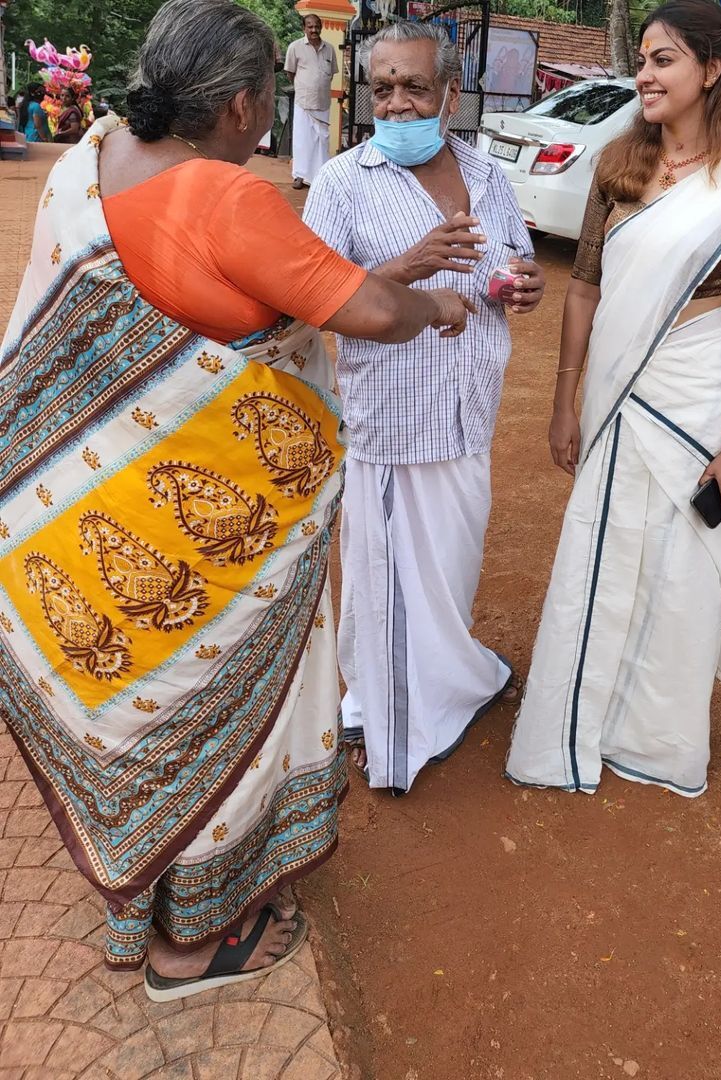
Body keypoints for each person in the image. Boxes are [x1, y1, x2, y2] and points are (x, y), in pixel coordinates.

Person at [0, 0, 472, 1002]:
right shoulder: (225, 196)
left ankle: (151, 890)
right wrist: (433, 303)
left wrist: (369, 277)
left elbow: (236, 301)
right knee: (220, 715)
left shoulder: (91, 157)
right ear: (248, 100)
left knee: (144, 711)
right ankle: (191, 946)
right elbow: (371, 314)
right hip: (202, 562)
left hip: (89, 526)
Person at [505, 0, 721, 798]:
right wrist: (564, 402)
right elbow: (583, 294)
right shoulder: (619, 166)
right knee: (596, 556)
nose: (644, 73)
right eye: (641, 58)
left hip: (701, 391)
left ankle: (655, 742)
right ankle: (571, 729)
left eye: (664, 58)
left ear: (712, 71)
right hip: (614, 392)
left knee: (682, 569)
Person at [303, 20, 546, 796]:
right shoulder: (345, 181)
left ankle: (445, 682)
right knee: (387, 581)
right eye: (383, 88)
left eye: (414, 86)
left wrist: (525, 282)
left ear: (449, 93)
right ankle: (393, 718)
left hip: (468, 410)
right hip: (394, 418)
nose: (399, 104)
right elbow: (312, 301)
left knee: (449, 569)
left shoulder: (488, 174)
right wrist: (406, 268)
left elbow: (515, 258)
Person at [285, 13, 336, 189]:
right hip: (303, 102)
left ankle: (320, 176)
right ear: (304, 28)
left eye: (316, 26)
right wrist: (304, 87)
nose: (314, 30)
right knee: (302, 139)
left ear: (321, 27)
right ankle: (299, 175)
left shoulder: (329, 49)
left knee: (321, 139)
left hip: (322, 102)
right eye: (310, 26)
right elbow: (290, 73)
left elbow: (329, 76)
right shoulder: (295, 47)